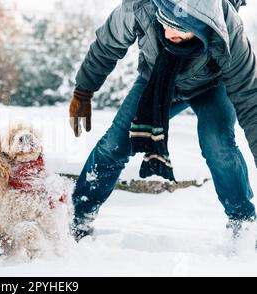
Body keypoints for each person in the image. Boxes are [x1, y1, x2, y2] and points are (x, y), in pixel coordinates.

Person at [69, 0, 257, 241]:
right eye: (165, 23)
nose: (169, 33)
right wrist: (83, 91)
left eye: (179, 29)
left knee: (218, 144)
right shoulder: (139, 8)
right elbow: (107, 45)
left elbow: (249, 98)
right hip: (155, 81)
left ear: (202, 25)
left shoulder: (228, 29)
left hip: (211, 85)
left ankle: (243, 223)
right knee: (114, 143)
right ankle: (78, 216)